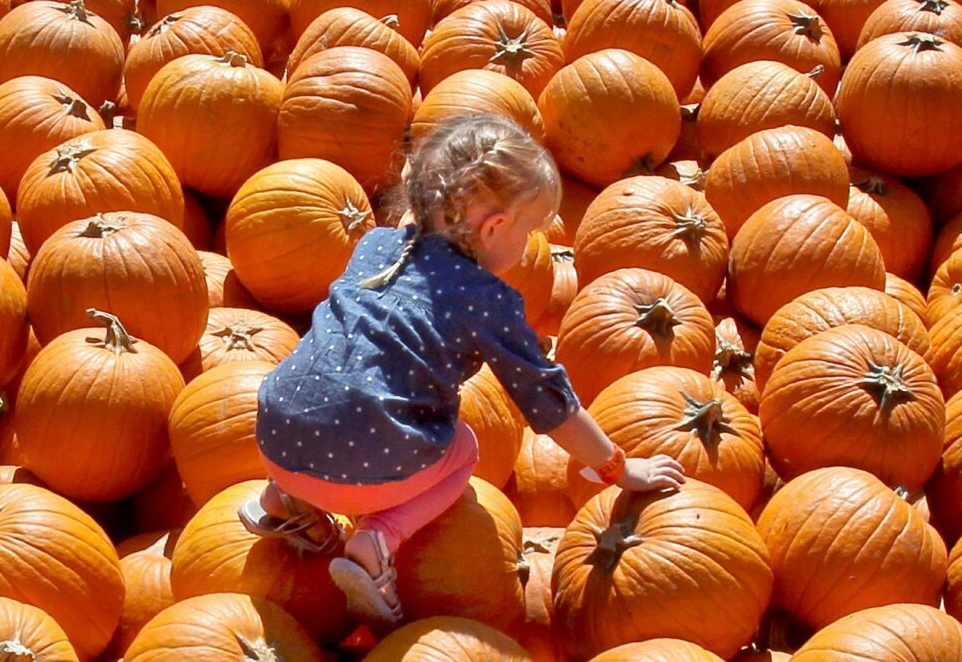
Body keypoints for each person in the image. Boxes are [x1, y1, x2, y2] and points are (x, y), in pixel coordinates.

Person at [241, 114, 686, 627]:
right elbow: (549, 404)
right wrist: (618, 469)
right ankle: (377, 540)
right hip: (364, 466)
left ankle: (284, 499)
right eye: (529, 231)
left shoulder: (377, 245)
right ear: (495, 228)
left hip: (273, 436)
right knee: (464, 450)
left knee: (333, 395)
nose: (527, 246)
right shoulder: (485, 299)